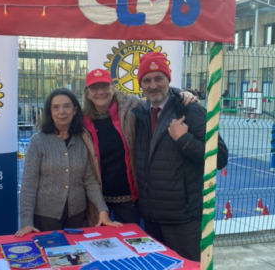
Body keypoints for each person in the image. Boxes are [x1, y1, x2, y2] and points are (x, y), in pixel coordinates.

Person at [132, 52, 228, 261]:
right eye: (146, 80)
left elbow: (219, 158)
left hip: (183, 220)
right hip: (151, 218)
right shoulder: (141, 115)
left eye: (159, 78)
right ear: (141, 85)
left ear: (169, 79)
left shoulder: (191, 111)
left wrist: (184, 140)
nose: (153, 85)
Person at [82, 69, 198, 226]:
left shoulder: (132, 106)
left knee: (131, 245)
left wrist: (182, 93)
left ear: (112, 88)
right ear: (88, 94)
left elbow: (158, 99)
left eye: (104, 86)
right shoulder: (81, 121)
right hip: (99, 203)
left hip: (130, 199)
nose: (100, 92)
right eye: (94, 88)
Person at [15, 88, 122, 237]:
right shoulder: (38, 141)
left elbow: (90, 181)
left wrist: (102, 211)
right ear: (49, 112)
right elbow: (29, 184)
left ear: (74, 109)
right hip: (45, 219)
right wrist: (26, 223)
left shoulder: (83, 139)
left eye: (66, 106)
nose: (62, 112)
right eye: (56, 107)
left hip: (76, 217)